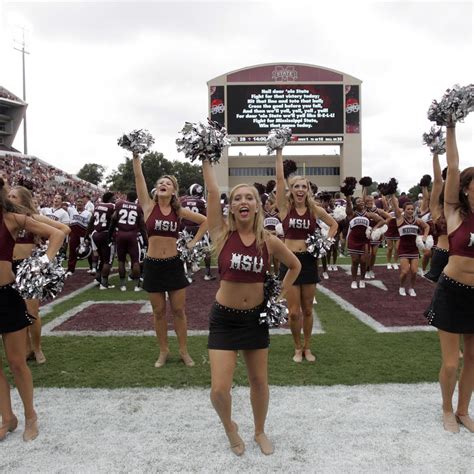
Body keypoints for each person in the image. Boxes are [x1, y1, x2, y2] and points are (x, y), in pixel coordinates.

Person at [202, 158, 300, 456]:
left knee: (259, 382)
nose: (243, 201)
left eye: (249, 198)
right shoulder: (221, 232)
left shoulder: (268, 241)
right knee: (219, 389)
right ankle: (230, 427)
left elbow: (294, 266)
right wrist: (207, 157)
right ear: (230, 207)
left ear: (257, 206)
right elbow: (211, 189)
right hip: (225, 320)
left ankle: (259, 430)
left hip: (255, 320)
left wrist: (276, 298)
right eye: (237, 198)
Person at [0, 177, 66, 441]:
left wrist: (42, 263)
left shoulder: (12, 218)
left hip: (6, 296)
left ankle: (30, 416)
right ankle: (8, 417)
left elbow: (58, 233)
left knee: (17, 362)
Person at [132, 152, 207, 368]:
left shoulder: (179, 211)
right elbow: (139, 178)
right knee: (158, 312)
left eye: (168, 183)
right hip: (153, 265)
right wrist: (136, 155)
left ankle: (184, 351)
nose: (163, 184)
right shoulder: (148, 206)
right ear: (157, 188)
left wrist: (193, 243)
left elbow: (205, 221)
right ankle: (163, 351)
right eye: (160, 182)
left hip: (174, 264)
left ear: (173, 190)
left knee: (178, 310)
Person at [424, 123, 474, 433]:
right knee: (452, 362)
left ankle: (463, 410)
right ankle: (445, 408)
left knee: (473, 359)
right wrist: (451, 126)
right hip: (452, 291)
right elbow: (451, 167)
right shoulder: (455, 212)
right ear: (468, 188)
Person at [275, 149, 338, 363]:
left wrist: (323, 244)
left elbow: (334, 225)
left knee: (308, 309)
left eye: (304, 186)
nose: (300, 189)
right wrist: (278, 152)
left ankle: (308, 347)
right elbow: (279, 179)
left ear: (308, 190)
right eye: (296, 186)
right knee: (293, 312)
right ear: (291, 190)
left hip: (309, 262)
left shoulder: (314, 210)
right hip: (290, 262)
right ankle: (297, 347)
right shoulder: (284, 208)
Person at [8, 185, 71, 365]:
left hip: (29, 267)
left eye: (14, 196)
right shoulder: (7, 218)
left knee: (31, 311)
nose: (10, 198)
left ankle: (37, 348)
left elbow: (64, 229)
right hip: (8, 267)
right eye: (9, 195)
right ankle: (26, 349)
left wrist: (45, 255)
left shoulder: (32, 218)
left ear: (23, 200)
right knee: (16, 311)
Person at [109, 191, 147, 292]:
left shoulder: (120, 204)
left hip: (120, 234)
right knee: (135, 261)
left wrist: (109, 235)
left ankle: (122, 285)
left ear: (127, 197)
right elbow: (142, 226)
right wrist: (146, 241)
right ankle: (137, 286)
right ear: (136, 198)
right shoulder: (138, 208)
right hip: (132, 236)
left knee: (121, 261)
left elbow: (113, 219)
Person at [392, 197, 429, 296]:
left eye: (412, 209)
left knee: (414, 271)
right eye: (408, 209)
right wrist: (392, 195)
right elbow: (395, 207)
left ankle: (412, 288)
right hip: (403, 248)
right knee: (404, 271)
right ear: (404, 210)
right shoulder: (400, 219)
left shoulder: (417, 221)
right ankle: (402, 286)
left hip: (414, 249)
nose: (410, 211)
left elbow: (427, 226)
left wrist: (424, 237)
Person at [345, 194, 384, 289]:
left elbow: (382, 221)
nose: (361, 202)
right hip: (353, 239)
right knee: (354, 261)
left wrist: (374, 228)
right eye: (358, 201)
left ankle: (362, 279)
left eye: (362, 201)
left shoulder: (368, 214)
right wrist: (348, 196)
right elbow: (348, 208)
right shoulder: (352, 214)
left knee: (363, 261)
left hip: (364, 241)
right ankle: (354, 280)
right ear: (355, 204)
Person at [180, 183, 215, 281]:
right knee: (206, 250)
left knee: (187, 251)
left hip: (187, 229)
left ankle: (189, 275)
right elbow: (207, 216)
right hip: (199, 228)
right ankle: (207, 274)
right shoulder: (201, 201)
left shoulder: (183, 200)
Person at [424, 154, 449, 282]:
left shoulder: (462, 208)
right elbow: (438, 181)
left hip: (462, 255)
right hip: (442, 254)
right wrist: (435, 154)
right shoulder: (437, 209)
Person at [362, 192, 390, 279]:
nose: (369, 202)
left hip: (375, 235)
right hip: (366, 235)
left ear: (373, 201)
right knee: (368, 254)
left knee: (374, 254)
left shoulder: (378, 211)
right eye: (367, 201)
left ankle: (371, 269)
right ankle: (366, 270)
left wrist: (380, 228)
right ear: (365, 202)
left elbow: (389, 218)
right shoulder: (363, 211)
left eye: (371, 200)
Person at [66, 196, 93, 276]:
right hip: (74, 234)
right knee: (72, 252)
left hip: (83, 235)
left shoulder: (88, 213)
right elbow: (64, 205)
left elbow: (90, 225)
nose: (79, 203)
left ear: (84, 204)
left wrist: (88, 236)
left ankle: (92, 267)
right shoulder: (71, 210)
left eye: (81, 202)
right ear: (75, 203)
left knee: (88, 251)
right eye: (78, 202)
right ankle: (70, 269)